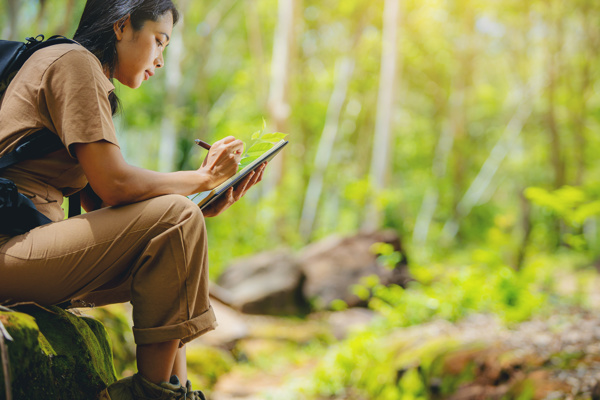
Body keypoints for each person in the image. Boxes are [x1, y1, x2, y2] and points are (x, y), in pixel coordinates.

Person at [0, 0, 265, 399]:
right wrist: (204, 177)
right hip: (11, 249)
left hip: (33, 247)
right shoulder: (74, 62)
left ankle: (172, 389)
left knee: (176, 234)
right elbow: (116, 186)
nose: (160, 59)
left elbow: (109, 213)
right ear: (122, 26)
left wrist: (201, 206)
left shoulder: (82, 71)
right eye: (159, 41)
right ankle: (150, 392)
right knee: (175, 217)